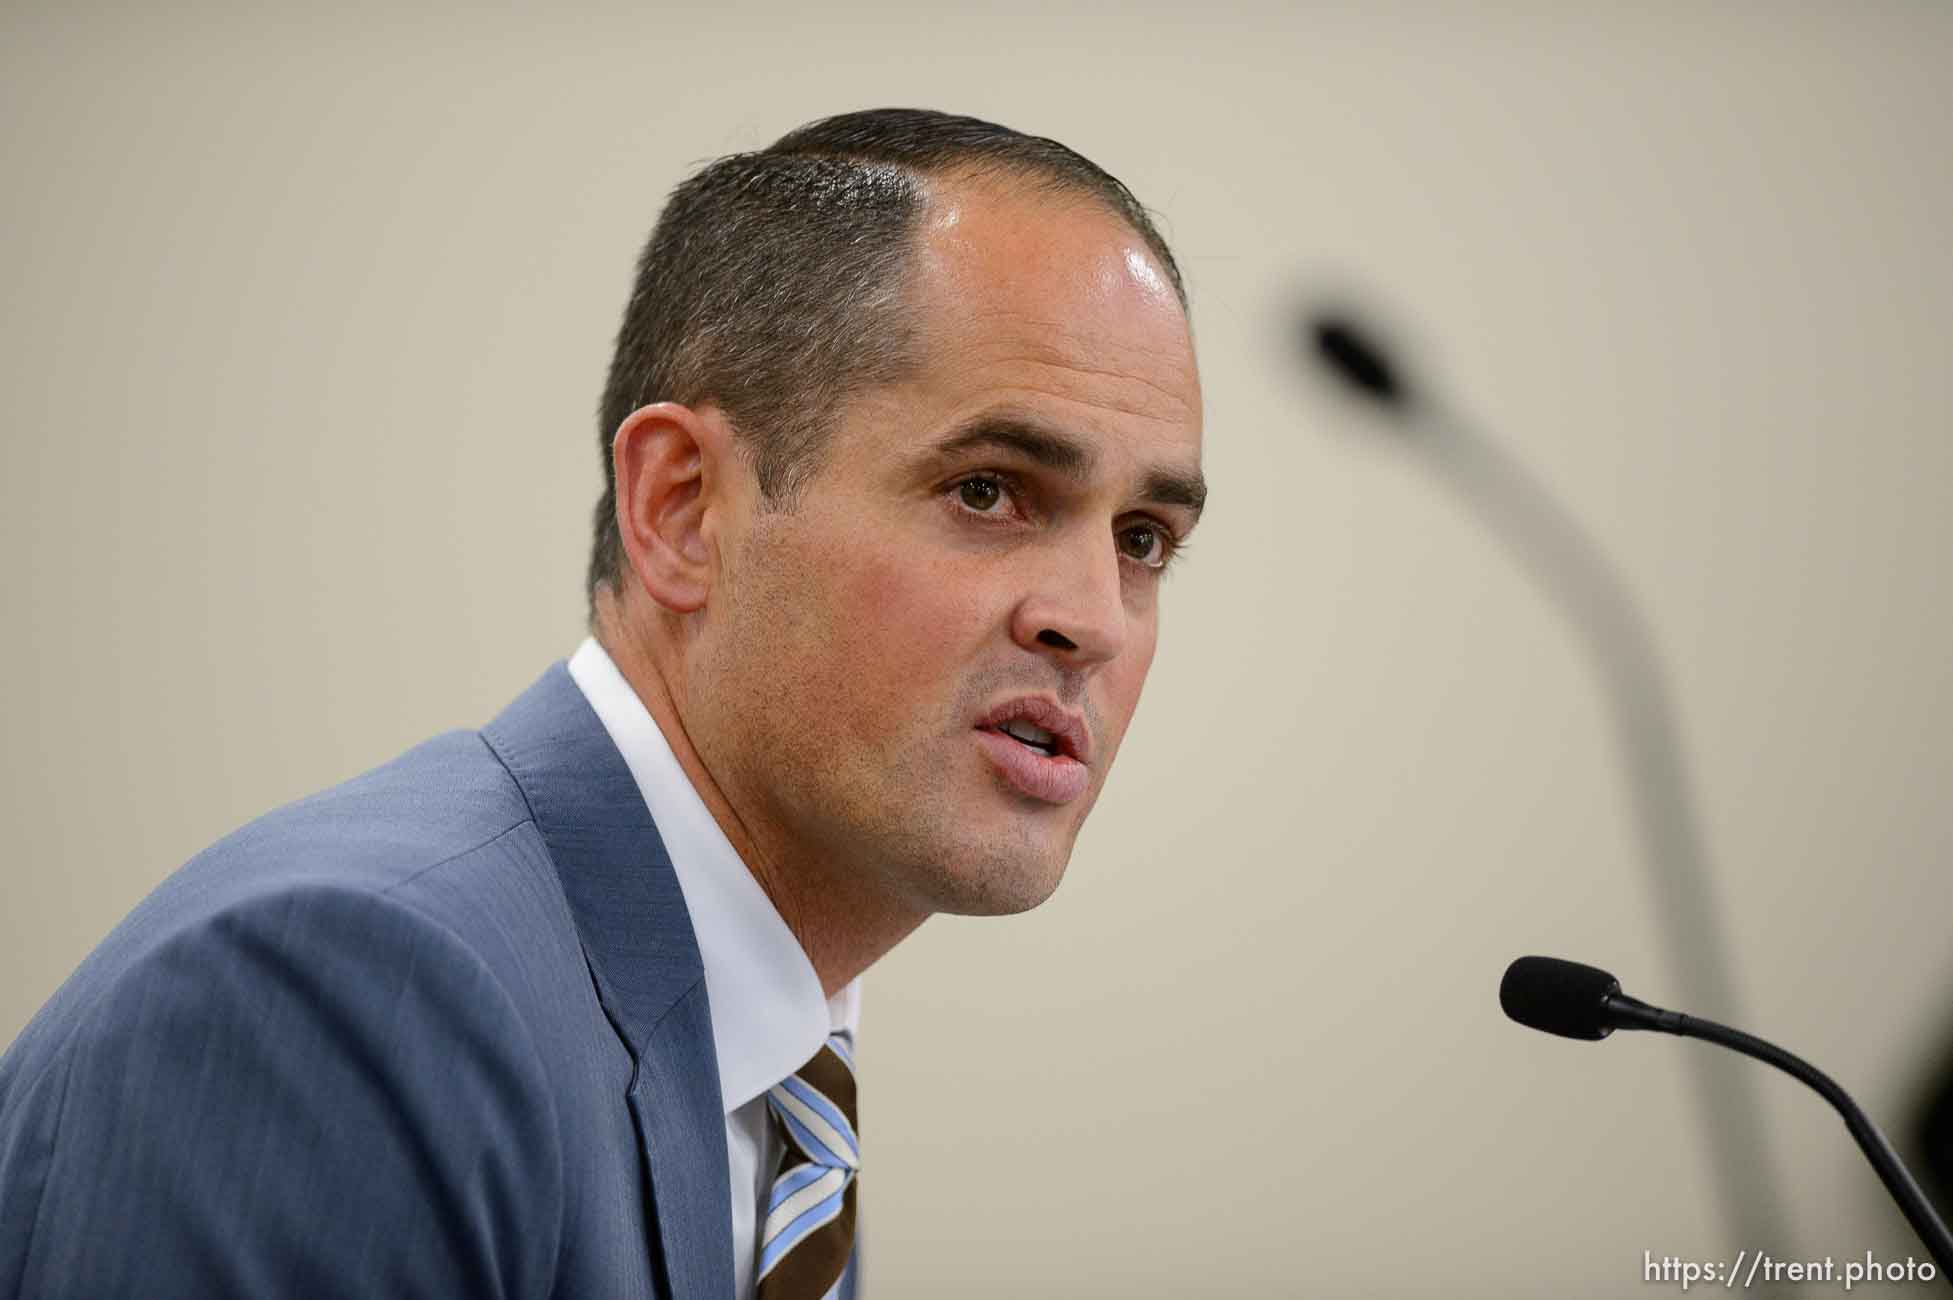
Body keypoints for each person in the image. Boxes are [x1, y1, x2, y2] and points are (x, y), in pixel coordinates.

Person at [0, 107, 1206, 1299]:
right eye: (988, 490)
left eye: (1145, 537)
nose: (1093, 616)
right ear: (683, 509)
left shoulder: (778, 1077)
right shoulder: (351, 1000)